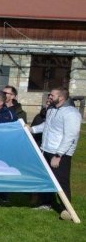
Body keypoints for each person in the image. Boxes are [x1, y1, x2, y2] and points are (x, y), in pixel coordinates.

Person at [29, 87, 82, 219]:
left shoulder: (72, 113)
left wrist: (59, 155)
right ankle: (47, 203)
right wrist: (32, 129)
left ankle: (66, 209)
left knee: (61, 181)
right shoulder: (51, 109)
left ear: (62, 97)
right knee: (46, 178)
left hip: (60, 154)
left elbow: (70, 135)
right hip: (46, 149)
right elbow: (47, 126)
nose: (49, 97)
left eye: (52, 95)